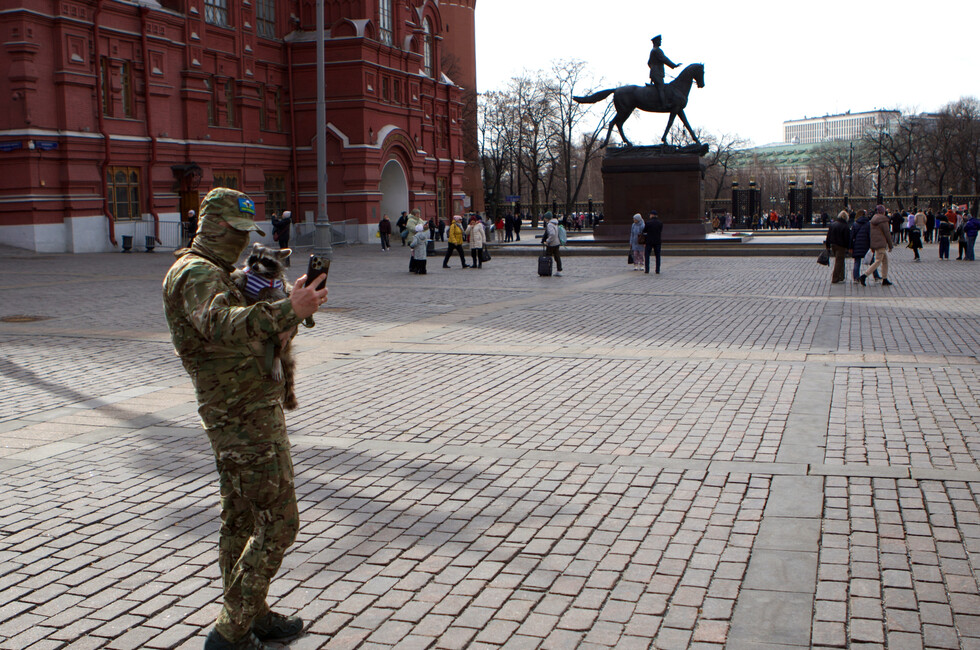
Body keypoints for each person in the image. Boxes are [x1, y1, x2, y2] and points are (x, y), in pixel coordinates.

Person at [163, 188, 328, 650]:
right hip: (238, 416)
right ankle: (230, 633)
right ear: (212, 227)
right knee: (280, 520)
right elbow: (218, 323)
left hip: (250, 408)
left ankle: (250, 613)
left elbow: (251, 317)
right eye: (235, 232)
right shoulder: (196, 273)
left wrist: (290, 302)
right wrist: (284, 310)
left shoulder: (215, 271)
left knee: (241, 519)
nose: (240, 242)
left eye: (246, 234)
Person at [860, 205, 894, 286]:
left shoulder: (873, 220)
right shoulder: (883, 220)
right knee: (878, 261)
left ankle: (884, 278)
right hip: (881, 243)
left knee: (885, 261)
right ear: (883, 211)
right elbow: (887, 233)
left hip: (875, 243)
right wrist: (890, 245)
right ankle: (864, 275)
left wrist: (872, 245)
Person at [647, 34, 679, 106]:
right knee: (661, 88)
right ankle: (664, 104)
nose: (660, 42)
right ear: (656, 42)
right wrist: (673, 65)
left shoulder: (653, 51)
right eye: (659, 41)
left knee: (659, 87)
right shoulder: (657, 50)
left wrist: (653, 68)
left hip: (655, 72)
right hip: (657, 73)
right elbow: (664, 59)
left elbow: (648, 63)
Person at [827, 210, 851, 283]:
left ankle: (841, 276)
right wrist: (848, 247)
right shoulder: (846, 226)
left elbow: (828, 236)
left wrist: (827, 246)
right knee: (839, 262)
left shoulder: (833, 224)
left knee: (840, 260)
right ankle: (835, 277)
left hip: (833, 245)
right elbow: (847, 238)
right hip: (841, 246)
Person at [541, 211, 563, 276]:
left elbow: (552, 234)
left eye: (545, 218)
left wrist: (547, 241)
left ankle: (546, 270)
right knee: (557, 257)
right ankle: (559, 270)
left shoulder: (550, 225)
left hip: (551, 244)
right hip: (557, 242)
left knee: (548, 257)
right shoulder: (555, 223)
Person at [643, 209, 664, 274]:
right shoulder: (660, 223)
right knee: (657, 256)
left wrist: (645, 241)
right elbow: (660, 231)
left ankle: (647, 270)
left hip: (649, 241)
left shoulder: (648, 223)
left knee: (647, 256)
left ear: (652, 215)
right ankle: (657, 270)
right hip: (657, 241)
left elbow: (644, 232)